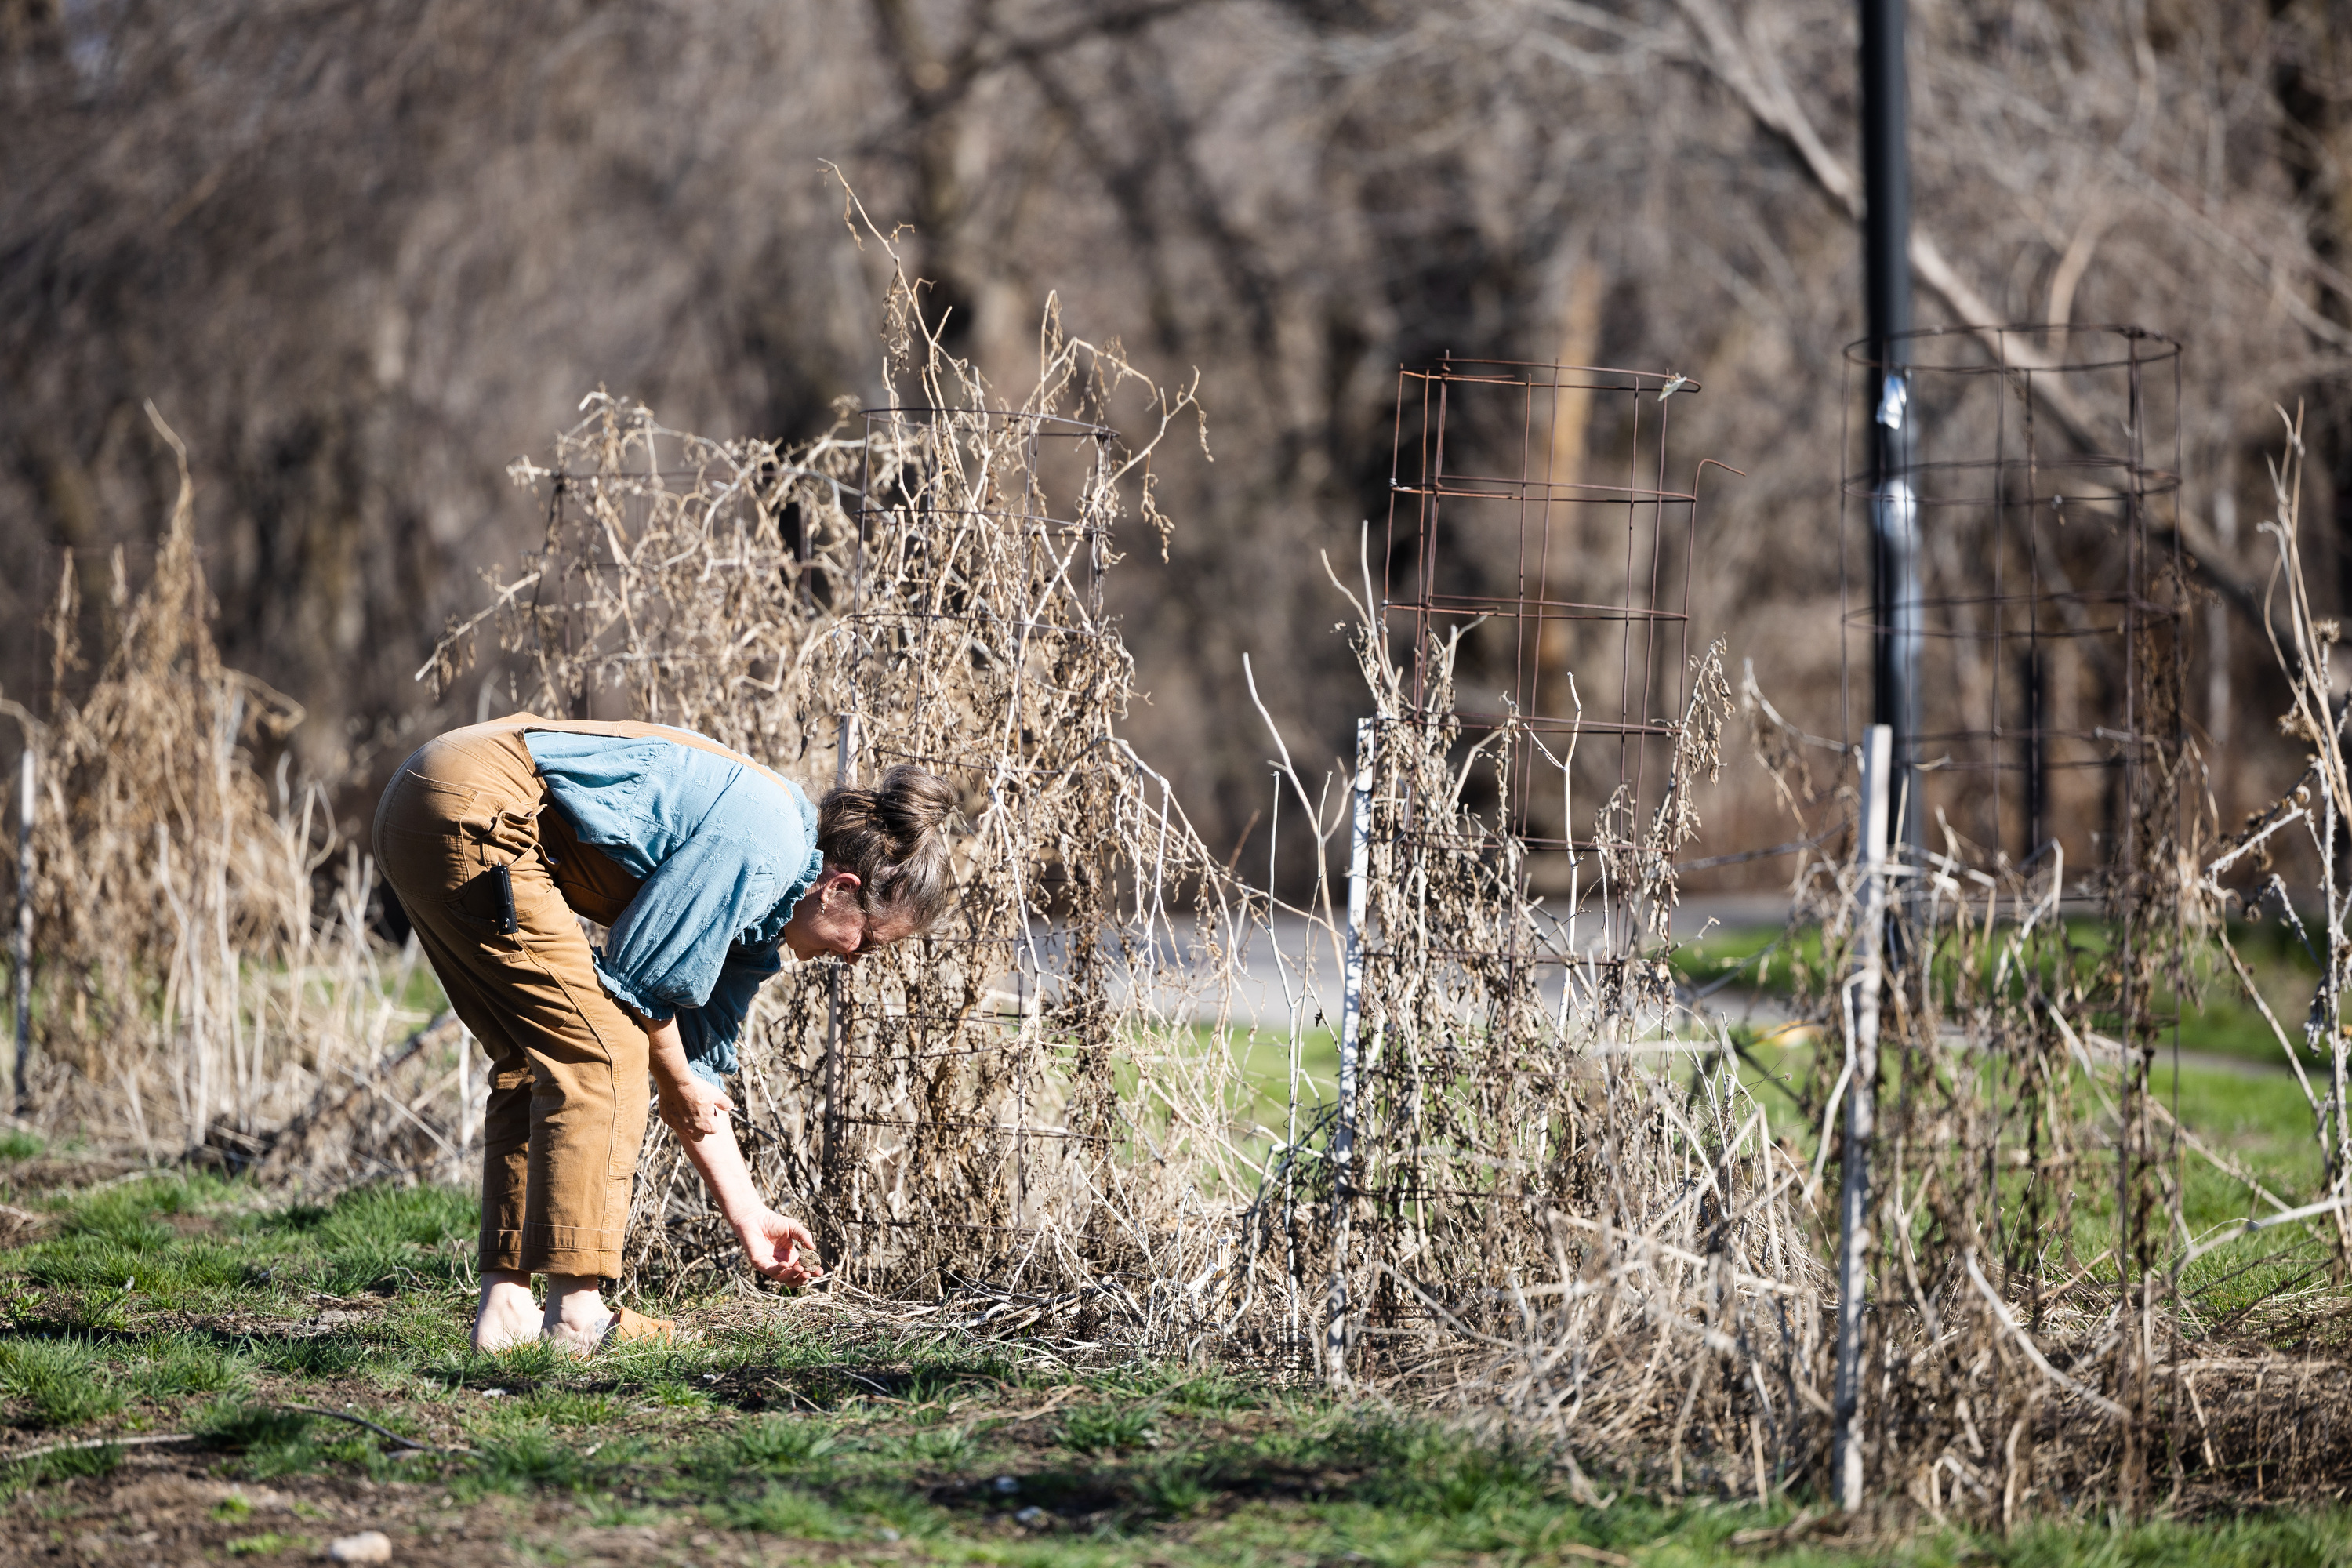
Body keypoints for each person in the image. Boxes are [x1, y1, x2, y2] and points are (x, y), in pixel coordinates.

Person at [372, 715, 953, 1353]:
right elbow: (638, 984)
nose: (853, 958)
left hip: (427, 795)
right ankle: (576, 1316)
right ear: (841, 890)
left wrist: (748, 1214)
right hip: (475, 803)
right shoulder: (769, 842)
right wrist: (675, 1079)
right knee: (604, 1048)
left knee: (536, 1054)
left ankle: (507, 1308)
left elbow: (694, 1074)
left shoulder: (761, 921)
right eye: (866, 941)